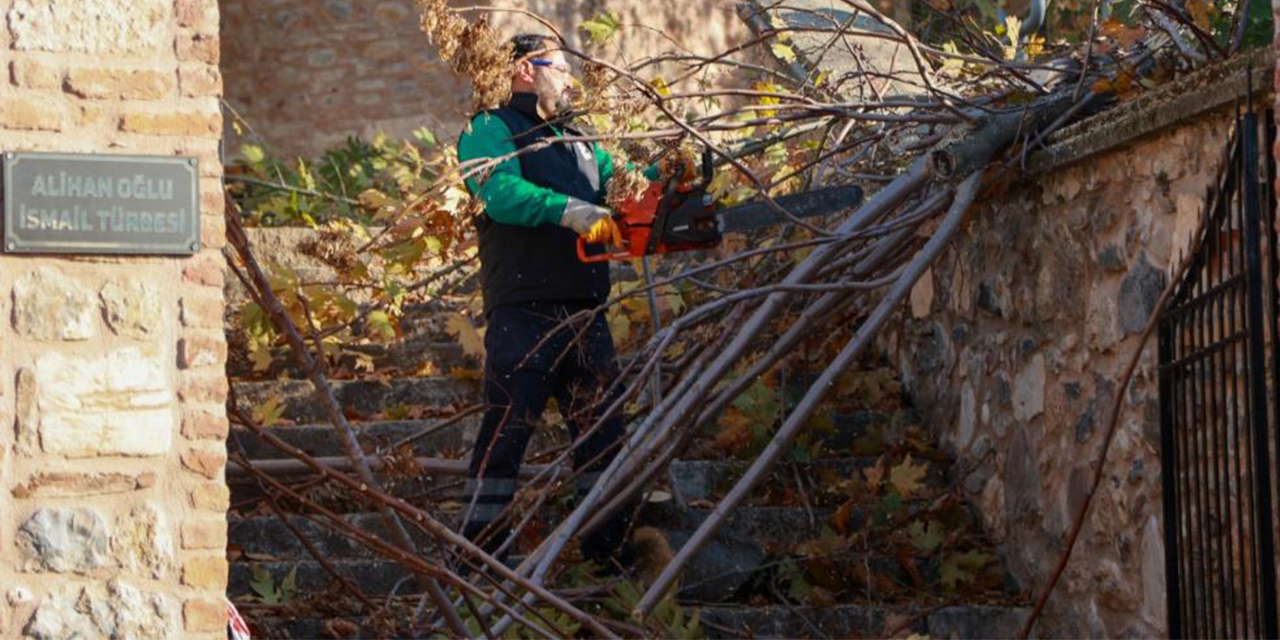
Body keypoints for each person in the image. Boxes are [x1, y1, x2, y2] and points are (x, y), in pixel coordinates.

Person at [455, 33, 645, 569]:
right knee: (505, 439)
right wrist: (568, 209)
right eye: (558, 67)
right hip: (524, 312)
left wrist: (663, 182)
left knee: (603, 437)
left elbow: (624, 187)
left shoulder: (581, 139)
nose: (568, 78)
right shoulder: (489, 129)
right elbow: (499, 192)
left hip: (587, 311)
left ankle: (608, 557)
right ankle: (481, 559)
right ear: (524, 69)